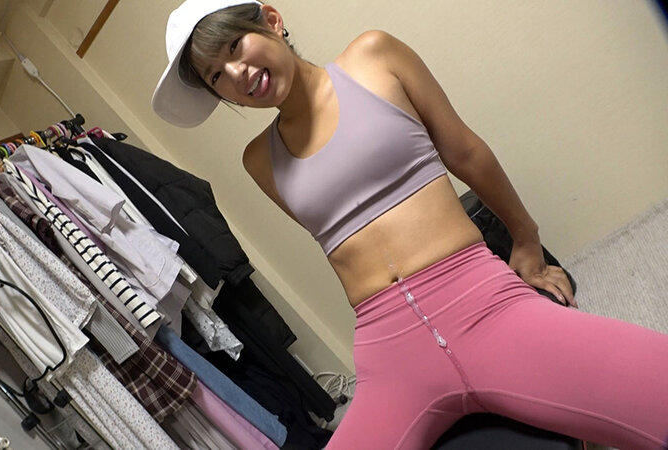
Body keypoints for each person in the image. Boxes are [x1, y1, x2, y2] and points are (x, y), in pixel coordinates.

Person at [152, 1, 668, 448]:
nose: (236, 73)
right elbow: (341, 239)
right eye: (217, 76)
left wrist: (526, 240)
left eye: (235, 46)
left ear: (271, 20)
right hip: (389, 355)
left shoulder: (373, 56)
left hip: (481, 303)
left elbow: (465, 152)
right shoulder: (259, 161)